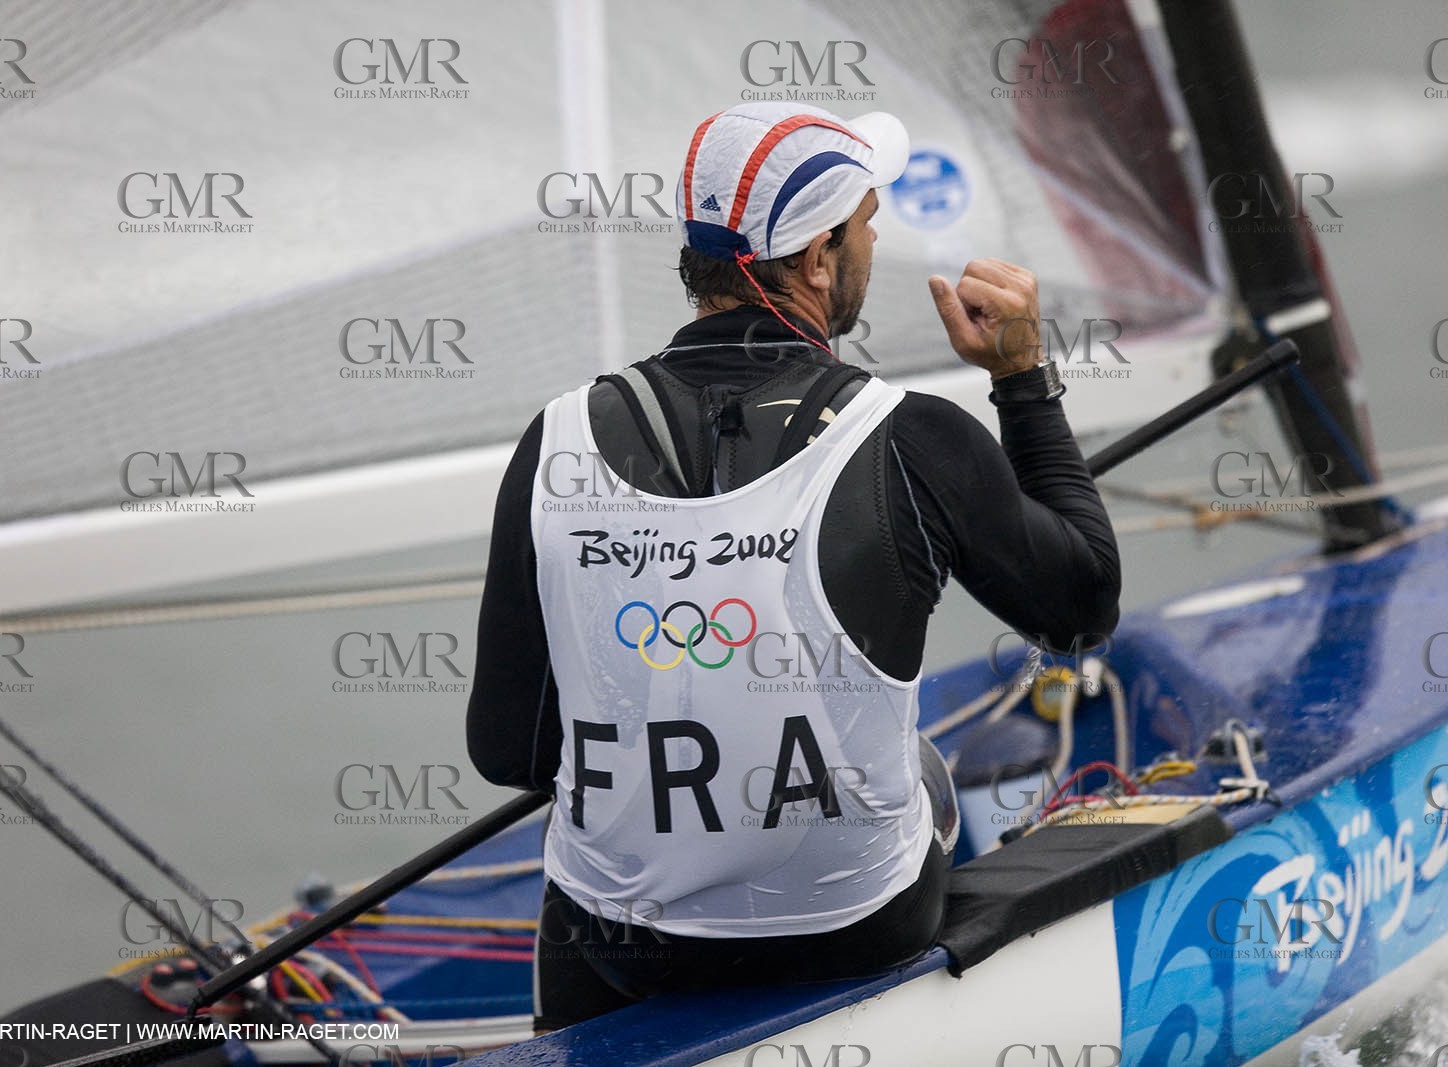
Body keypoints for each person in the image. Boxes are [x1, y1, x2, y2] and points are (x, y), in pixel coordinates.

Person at [466, 101, 1120, 1032]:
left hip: (620, 947)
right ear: (816, 259)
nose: (875, 233)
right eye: (862, 222)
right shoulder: (914, 435)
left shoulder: (556, 440)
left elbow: (511, 753)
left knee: (589, 863)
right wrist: (1021, 378)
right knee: (921, 765)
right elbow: (1084, 609)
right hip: (851, 926)